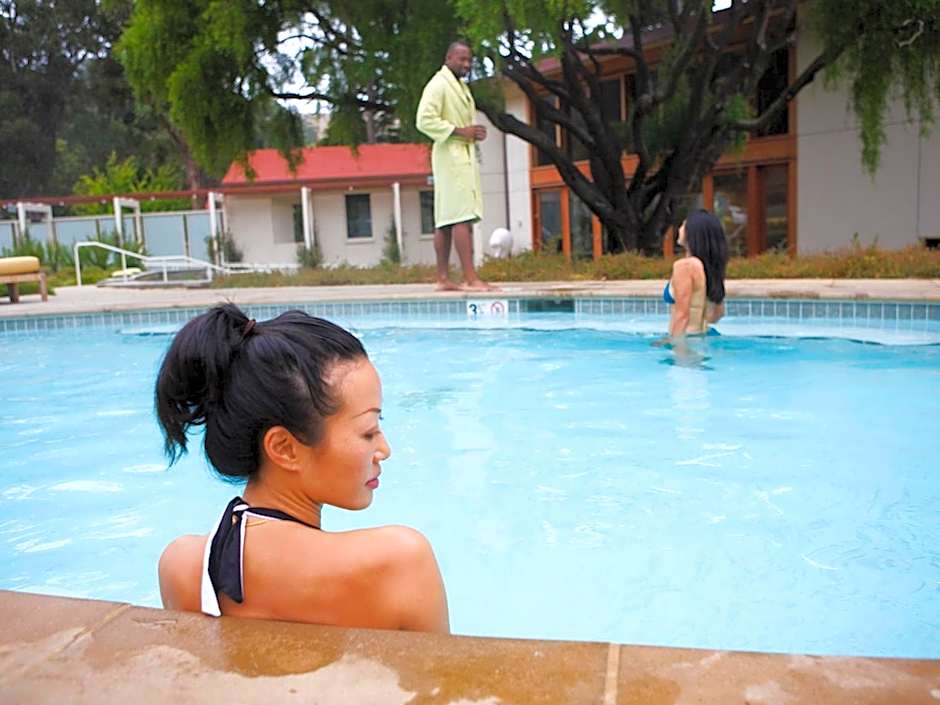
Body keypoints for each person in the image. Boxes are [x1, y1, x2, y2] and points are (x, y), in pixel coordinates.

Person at [154, 304, 449, 632]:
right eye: (368, 431)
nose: (384, 450)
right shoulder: (400, 564)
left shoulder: (183, 568)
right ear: (285, 448)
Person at [416, 40, 498, 291]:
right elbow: (424, 120)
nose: (467, 64)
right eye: (461, 59)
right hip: (450, 156)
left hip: (458, 155)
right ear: (448, 58)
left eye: (469, 60)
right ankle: (471, 278)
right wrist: (461, 131)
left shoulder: (460, 87)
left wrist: (471, 133)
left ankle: (443, 279)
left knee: (446, 218)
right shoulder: (439, 84)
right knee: (461, 215)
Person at [662, 209, 729, 340]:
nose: (680, 228)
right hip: (704, 336)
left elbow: (682, 315)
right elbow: (717, 314)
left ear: (692, 232)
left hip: (686, 338)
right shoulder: (709, 268)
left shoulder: (685, 266)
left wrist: (674, 344)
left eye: (683, 225)